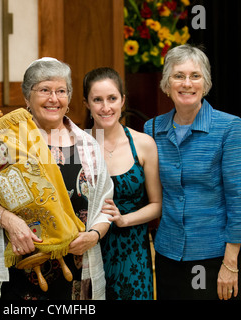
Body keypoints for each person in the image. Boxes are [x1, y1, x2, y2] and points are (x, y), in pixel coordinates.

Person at [0, 58, 115, 300]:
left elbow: (105, 205)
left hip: (76, 266)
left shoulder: (88, 145)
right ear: (27, 97)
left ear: (69, 98)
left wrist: (93, 236)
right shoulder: (8, 142)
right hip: (21, 268)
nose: (54, 99)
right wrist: (9, 221)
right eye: (44, 90)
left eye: (61, 91)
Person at [143, 44, 241, 300]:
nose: (186, 83)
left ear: (205, 84)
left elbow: (239, 201)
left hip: (216, 256)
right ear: (167, 85)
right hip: (169, 255)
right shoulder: (152, 129)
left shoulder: (229, 127)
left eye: (195, 76)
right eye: (178, 76)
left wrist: (230, 263)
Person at [83, 67, 162, 300]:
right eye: (97, 100)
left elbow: (157, 204)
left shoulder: (144, 144)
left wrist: (124, 219)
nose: (105, 107)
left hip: (133, 253)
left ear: (123, 100)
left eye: (112, 98)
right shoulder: (77, 146)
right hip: (90, 251)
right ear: (87, 103)